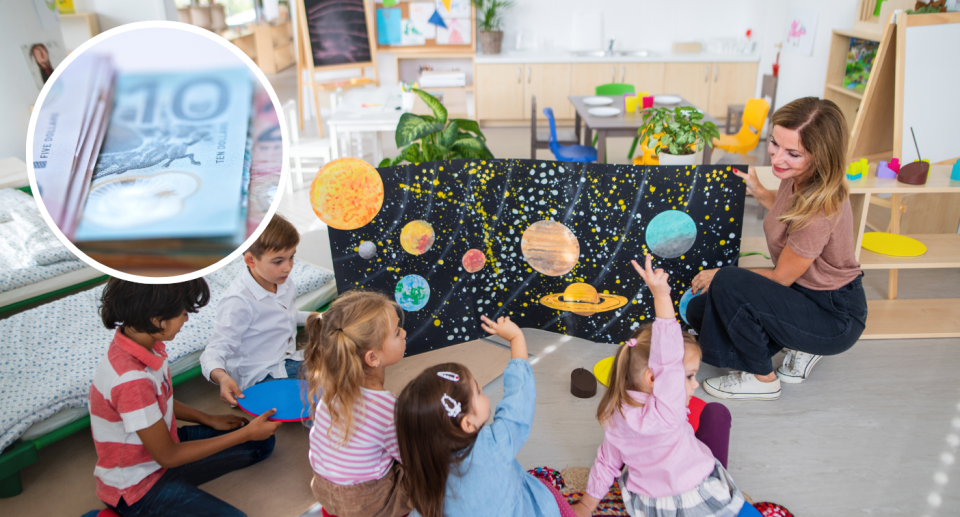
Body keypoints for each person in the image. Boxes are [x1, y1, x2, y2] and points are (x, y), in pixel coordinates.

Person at [686, 97, 867, 401]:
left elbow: (781, 277)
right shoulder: (797, 177)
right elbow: (788, 219)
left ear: (820, 155)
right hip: (801, 293)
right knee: (698, 312)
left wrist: (719, 274)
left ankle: (763, 378)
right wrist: (760, 192)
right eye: (774, 144)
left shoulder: (820, 209)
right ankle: (796, 341)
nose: (778, 158)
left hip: (832, 313)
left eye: (792, 153)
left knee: (728, 281)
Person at [571, 255, 759, 517]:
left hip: (650, 505)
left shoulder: (615, 413)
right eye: (689, 376)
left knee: (692, 413)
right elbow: (668, 357)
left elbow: (606, 463)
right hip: (695, 493)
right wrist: (661, 295)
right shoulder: (668, 410)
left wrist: (586, 505)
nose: (695, 384)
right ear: (654, 378)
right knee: (716, 412)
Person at [89, 278, 281, 517]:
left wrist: (208, 418)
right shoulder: (131, 381)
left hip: (166, 449)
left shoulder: (145, 344)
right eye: (183, 313)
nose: (186, 319)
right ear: (157, 319)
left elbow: (158, 401)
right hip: (140, 487)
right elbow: (168, 456)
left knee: (261, 443)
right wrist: (245, 434)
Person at [395, 315, 574, 517]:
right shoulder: (496, 444)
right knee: (549, 494)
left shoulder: (425, 474)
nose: (481, 388)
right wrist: (516, 338)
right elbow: (520, 396)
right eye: (477, 391)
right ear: (468, 424)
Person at [302, 290, 413, 517]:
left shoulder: (330, 392)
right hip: (367, 503)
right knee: (431, 468)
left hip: (325, 493)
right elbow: (411, 456)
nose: (404, 332)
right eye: (396, 332)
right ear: (372, 358)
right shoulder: (388, 409)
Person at [200, 214, 320, 405]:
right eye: (278, 261)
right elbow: (214, 351)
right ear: (250, 260)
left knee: (342, 364)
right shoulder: (238, 302)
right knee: (315, 400)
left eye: (292, 258)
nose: (288, 268)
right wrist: (222, 378)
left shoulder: (283, 282)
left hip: (287, 360)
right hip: (259, 376)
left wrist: (317, 318)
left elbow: (286, 316)